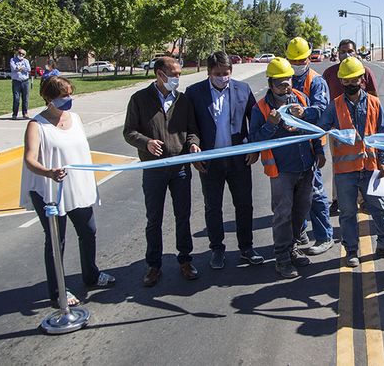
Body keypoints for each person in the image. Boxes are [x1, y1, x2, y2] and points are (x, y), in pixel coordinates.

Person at [20, 76, 115, 307]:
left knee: (88, 231)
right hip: (49, 190)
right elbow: (29, 159)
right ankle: (57, 290)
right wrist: (49, 172)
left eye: (70, 94)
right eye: (63, 96)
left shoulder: (75, 119)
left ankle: (91, 275)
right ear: (48, 98)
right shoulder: (37, 125)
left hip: (77, 187)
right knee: (56, 239)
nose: (68, 99)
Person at [123, 56, 201, 287]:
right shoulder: (139, 99)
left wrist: (194, 144)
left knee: (183, 216)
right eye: (174, 74)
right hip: (154, 168)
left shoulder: (183, 100)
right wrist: (145, 142)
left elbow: (191, 131)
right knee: (154, 218)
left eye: (179, 74)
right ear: (159, 74)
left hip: (180, 168)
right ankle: (154, 266)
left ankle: (185, 260)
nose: (177, 78)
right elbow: (129, 132)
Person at [185, 51, 264, 270]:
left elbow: (254, 120)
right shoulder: (194, 93)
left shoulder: (243, 89)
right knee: (213, 207)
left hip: (239, 161)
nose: (222, 77)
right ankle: (217, 249)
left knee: (244, 205)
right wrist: (194, 147)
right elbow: (191, 127)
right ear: (209, 72)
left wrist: (254, 147)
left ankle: (246, 248)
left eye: (226, 73)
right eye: (217, 73)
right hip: (210, 162)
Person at [316, 57, 384, 267]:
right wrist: (322, 148)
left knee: (379, 208)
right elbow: (322, 130)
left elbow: (383, 133)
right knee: (348, 212)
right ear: (341, 82)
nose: (351, 84)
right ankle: (351, 250)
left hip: (371, 168)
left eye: (355, 79)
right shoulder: (334, 106)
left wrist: (383, 160)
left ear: (363, 79)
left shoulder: (374, 102)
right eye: (346, 80)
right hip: (345, 171)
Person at [249, 57, 324, 278]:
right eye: (281, 82)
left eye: (289, 80)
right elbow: (255, 139)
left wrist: (319, 152)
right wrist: (270, 125)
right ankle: (282, 257)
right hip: (282, 170)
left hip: (305, 166)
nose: (286, 86)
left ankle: (292, 247)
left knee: (302, 209)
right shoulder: (261, 108)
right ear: (271, 84)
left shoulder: (300, 98)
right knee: (283, 213)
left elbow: (314, 128)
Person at [285, 37, 334, 255]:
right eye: (292, 60)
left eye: (300, 60)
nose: (297, 64)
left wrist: (305, 113)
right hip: (289, 146)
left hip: (311, 145)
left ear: (308, 58)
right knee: (295, 193)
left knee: (315, 192)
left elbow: (322, 111)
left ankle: (324, 236)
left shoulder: (316, 81)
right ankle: (300, 232)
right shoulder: (284, 77)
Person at [322, 39, 379, 215]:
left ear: (356, 53)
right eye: (343, 51)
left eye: (350, 51)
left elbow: (373, 96)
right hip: (338, 128)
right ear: (337, 53)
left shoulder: (365, 72)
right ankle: (338, 199)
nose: (346, 54)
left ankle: (365, 199)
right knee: (340, 163)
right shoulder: (330, 73)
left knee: (365, 161)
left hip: (363, 127)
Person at [10, 48, 32, 119]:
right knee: (16, 98)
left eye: (23, 54)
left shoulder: (26, 61)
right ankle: (14, 114)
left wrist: (20, 68)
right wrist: (22, 68)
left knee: (25, 98)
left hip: (25, 81)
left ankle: (25, 113)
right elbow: (14, 68)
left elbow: (28, 69)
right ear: (17, 53)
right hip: (16, 82)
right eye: (20, 53)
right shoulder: (13, 60)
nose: (21, 55)